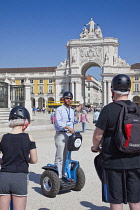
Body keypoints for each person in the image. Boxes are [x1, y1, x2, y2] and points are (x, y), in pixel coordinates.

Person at [91, 74, 140, 210]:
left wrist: (95, 148)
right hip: (136, 160)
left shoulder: (108, 110)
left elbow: (98, 136)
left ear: (112, 91)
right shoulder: (137, 109)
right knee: (135, 200)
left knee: (116, 200)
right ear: (129, 91)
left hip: (113, 161)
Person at [0, 106, 38, 210]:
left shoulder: (3, 137)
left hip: (4, 177)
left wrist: (3, 160)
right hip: (20, 177)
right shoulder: (29, 137)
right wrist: (26, 159)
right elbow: (34, 160)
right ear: (25, 121)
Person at [54, 91, 81, 179]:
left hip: (69, 135)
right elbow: (58, 122)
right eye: (67, 98)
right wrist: (68, 128)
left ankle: (65, 173)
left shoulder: (71, 110)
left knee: (68, 155)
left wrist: (77, 112)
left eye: (70, 98)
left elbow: (75, 121)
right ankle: (58, 175)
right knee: (60, 155)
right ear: (63, 99)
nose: (69, 100)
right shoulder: (59, 109)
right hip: (61, 134)